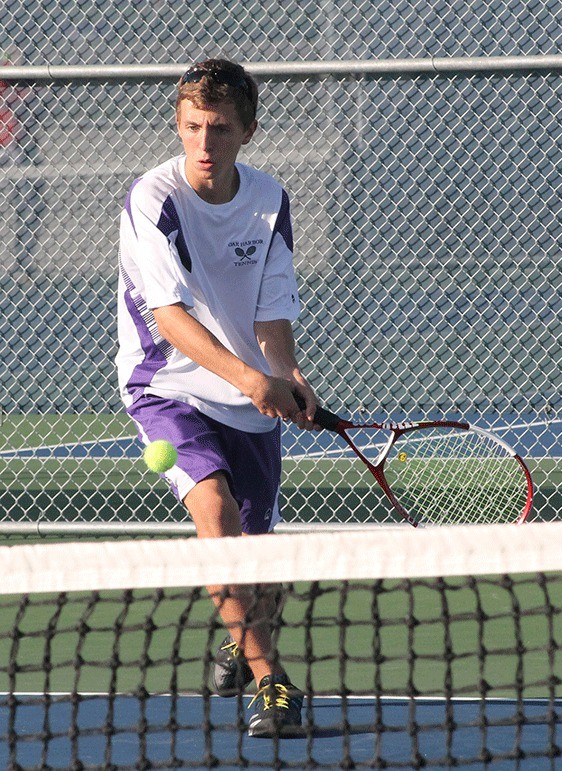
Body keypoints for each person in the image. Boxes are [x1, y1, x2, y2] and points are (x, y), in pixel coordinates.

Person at [115, 57, 318, 737]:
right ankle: (273, 683)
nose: (204, 144)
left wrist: (284, 371)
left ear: (248, 132)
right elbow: (168, 316)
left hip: (246, 395)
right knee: (214, 508)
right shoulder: (154, 198)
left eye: (220, 129)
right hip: (166, 385)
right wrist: (251, 378)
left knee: (261, 568)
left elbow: (272, 310)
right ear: (178, 125)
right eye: (193, 126)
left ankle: (240, 639)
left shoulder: (269, 199)